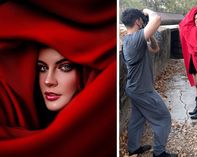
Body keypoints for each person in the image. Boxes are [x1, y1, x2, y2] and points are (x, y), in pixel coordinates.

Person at [0, 1, 116, 156]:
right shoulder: (16, 117)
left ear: (83, 74)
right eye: (42, 68)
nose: (48, 80)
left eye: (64, 67)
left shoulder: (104, 132)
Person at [121, 8, 176, 157]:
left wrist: (149, 34)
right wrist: (147, 11)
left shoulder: (129, 39)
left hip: (134, 88)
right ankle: (159, 152)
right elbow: (157, 19)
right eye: (141, 20)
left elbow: (155, 49)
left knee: (137, 119)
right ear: (138, 21)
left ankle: (133, 148)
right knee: (164, 118)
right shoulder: (135, 40)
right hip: (142, 90)